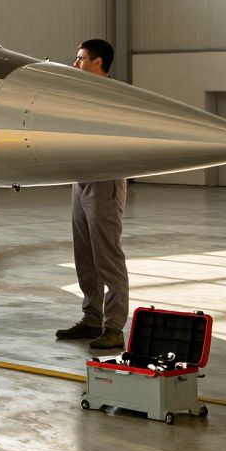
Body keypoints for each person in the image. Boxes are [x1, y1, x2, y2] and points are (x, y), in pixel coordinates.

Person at [56, 39, 129, 351]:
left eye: (81, 58)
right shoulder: (81, 92)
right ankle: (91, 319)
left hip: (104, 181)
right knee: (85, 256)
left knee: (107, 258)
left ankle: (114, 327)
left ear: (98, 62)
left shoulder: (116, 96)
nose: (75, 64)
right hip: (81, 180)